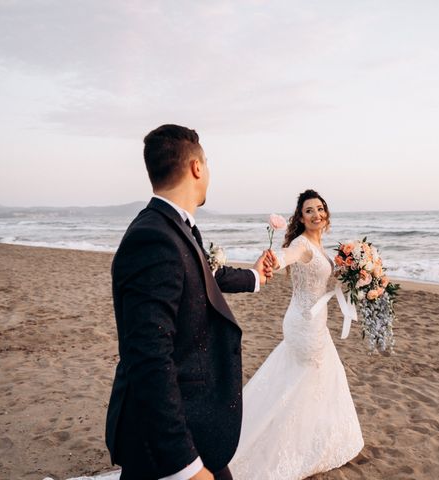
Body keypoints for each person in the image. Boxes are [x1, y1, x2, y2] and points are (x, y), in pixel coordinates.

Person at [105, 124, 273, 480]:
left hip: (189, 425)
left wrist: (255, 276)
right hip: (165, 444)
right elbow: (148, 357)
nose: (209, 172)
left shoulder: (175, 228)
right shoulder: (154, 238)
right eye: (207, 163)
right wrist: (185, 466)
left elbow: (206, 278)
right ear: (196, 168)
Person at [229, 189, 364, 480]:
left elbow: (324, 278)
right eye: (309, 211)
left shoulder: (322, 246)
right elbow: (286, 256)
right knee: (306, 379)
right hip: (304, 323)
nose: (316, 214)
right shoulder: (302, 245)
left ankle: (309, 439)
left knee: (307, 379)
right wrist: (272, 260)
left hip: (314, 321)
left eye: (320, 209)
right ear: (300, 218)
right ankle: (293, 446)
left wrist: (359, 274)